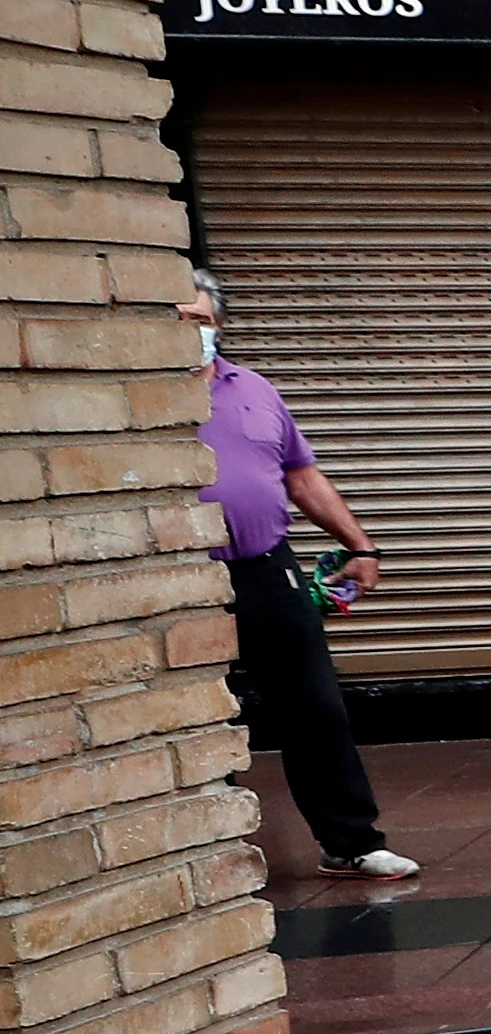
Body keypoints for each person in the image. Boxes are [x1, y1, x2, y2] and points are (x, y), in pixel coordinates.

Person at [181, 269, 414, 882]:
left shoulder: (254, 389)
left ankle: (350, 842)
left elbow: (302, 477)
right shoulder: (134, 400)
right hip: (180, 585)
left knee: (315, 707)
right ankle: (202, 855)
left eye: (202, 322)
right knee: (191, 715)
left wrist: (360, 546)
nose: (193, 333)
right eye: (180, 322)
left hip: (265, 572)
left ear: (220, 326)